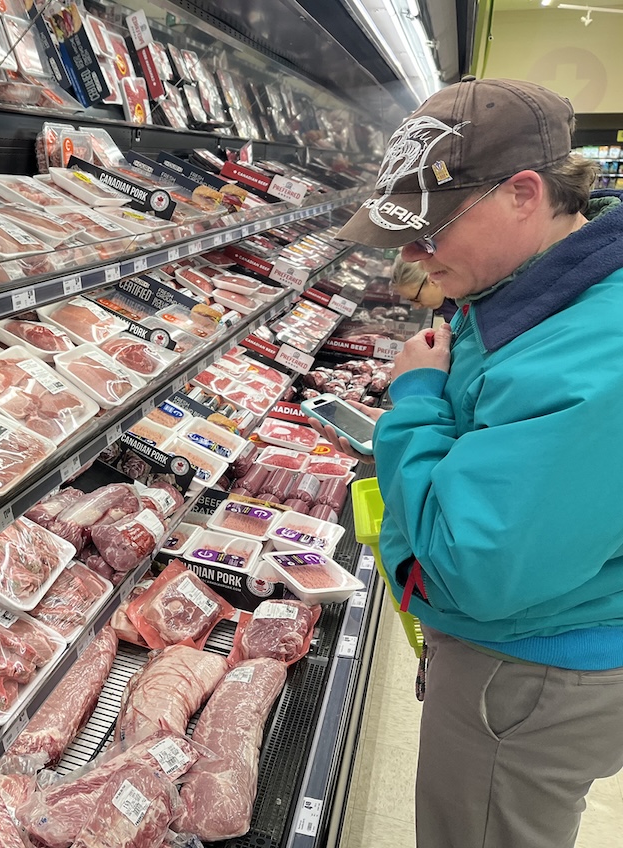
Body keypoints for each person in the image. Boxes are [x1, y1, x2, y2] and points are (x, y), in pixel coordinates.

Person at [318, 77, 623, 848]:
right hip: (548, 631)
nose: (411, 254)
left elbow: (467, 567)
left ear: (524, 194)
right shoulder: (547, 290)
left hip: (528, 671)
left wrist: (418, 399)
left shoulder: (592, 352)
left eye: (431, 229)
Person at [389, 254, 458, 322]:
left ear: (432, 280)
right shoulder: (447, 306)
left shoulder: (460, 300)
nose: (417, 307)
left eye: (417, 299)